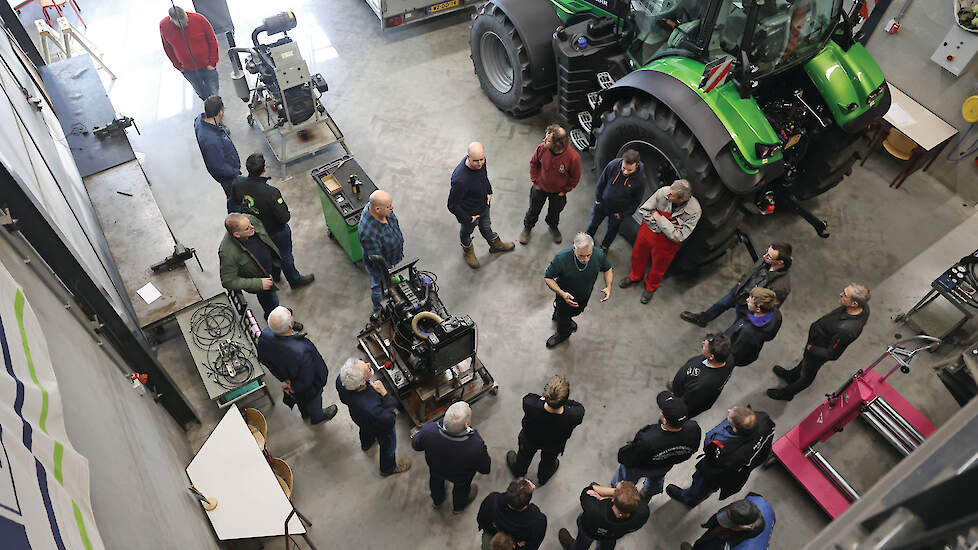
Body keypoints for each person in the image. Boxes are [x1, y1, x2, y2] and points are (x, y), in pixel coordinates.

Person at [767, 283, 870, 401]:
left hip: (818, 350)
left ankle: (788, 393)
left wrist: (812, 349)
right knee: (805, 362)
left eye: (845, 295)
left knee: (807, 374)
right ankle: (792, 375)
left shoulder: (847, 330)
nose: (841, 294)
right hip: (816, 342)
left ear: (854, 304)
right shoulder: (861, 307)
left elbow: (833, 354)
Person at [231, 153, 314, 290]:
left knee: (268, 252)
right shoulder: (271, 193)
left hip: (255, 231)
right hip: (276, 231)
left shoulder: (238, 182)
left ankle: (275, 274)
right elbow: (284, 217)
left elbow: (235, 202)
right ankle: (294, 280)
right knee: (285, 255)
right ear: (264, 168)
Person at [666, 406, 776, 508]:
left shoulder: (726, 451)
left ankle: (690, 498)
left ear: (735, 430)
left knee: (703, 483)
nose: (728, 411)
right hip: (741, 465)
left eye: (730, 417)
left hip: (720, 471)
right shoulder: (764, 419)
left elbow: (712, 460)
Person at [619, 180, 700, 304]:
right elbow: (645, 210)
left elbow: (679, 236)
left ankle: (651, 287)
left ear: (682, 199)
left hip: (668, 244)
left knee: (659, 267)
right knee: (638, 256)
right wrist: (665, 227)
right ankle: (635, 276)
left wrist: (659, 218)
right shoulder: (664, 192)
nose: (667, 196)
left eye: (671, 196)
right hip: (648, 231)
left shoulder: (694, 211)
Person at [612, 391, 701, 501]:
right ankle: (648, 493)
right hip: (665, 466)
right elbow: (692, 450)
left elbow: (627, 457)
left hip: (642, 467)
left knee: (624, 476)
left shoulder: (648, 439)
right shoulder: (694, 429)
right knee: (656, 479)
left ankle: (618, 493)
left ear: (664, 419)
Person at [256, 307, 337, 424]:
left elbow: (264, 360)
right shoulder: (302, 350)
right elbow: (307, 379)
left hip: (291, 381)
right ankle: (317, 417)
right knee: (314, 401)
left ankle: (305, 414)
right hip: (309, 387)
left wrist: (285, 380)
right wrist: (293, 387)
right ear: (290, 325)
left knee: (300, 400)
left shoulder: (264, 336)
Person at [681, 243, 792, 327]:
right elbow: (752, 270)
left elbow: (770, 307)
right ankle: (702, 319)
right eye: (767, 251)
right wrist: (742, 280)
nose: (764, 256)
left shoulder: (781, 287)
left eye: (769, 256)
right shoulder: (766, 259)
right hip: (739, 291)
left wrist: (754, 311)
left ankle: (721, 346)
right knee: (720, 305)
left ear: (780, 262)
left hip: (748, 307)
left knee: (736, 327)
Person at [336, 358, 412, 476]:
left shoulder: (341, 379)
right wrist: (384, 393)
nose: (368, 364)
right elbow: (389, 419)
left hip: (358, 417)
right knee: (388, 445)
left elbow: (344, 399)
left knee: (365, 429)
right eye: (367, 367)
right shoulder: (370, 406)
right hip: (380, 427)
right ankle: (388, 468)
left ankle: (366, 444)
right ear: (361, 383)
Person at [411, 401, 491, 513]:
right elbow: (485, 468)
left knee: (435, 482)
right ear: (466, 424)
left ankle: (437, 501)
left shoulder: (428, 431)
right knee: (461, 489)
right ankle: (458, 507)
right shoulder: (475, 446)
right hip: (460, 477)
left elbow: (416, 445)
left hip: (436, 469)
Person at [506, 375, 586, 485]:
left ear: (546, 394)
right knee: (549, 461)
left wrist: (543, 399)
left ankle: (519, 471)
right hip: (554, 444)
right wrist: (565, 402)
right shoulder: (573, 415)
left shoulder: (531, 405)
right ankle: (543, 477)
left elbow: (530, 397)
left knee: (524, 455)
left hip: (530, 438)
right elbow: (579, 407)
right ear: (565, 398)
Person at [448, 142, 516, 269]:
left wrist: (489, 191)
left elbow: (484, 177)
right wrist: (468, 218)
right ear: (468, 157)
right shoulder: (460, 180)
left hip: (483, 206)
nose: (479, 163)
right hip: (470, 214)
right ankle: (468, 250)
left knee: (486, 227)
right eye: (476, 161)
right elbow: (452, 205)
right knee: (466, 233)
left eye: (482, 159)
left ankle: (496, 244)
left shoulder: (480, 163)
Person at [544, 233, 613, 348]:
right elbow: (548, 277)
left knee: (575, 312)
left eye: (588, 255)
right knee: (563, 316)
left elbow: (608, 268)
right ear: (574, 247)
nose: (586, 259)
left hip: (584, 296)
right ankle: (563, 334)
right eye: (581, 256)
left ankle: (562, 317)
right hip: (564, 298)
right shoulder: (561, 258)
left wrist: (608, 286)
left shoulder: (598, 254)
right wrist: (562, 294)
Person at [520, 124, 581, 245]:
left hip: (558, 192)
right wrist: (535, 181)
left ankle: (553, 226)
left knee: (555, 212)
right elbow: (534, 163)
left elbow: (575, 177)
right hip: (540, 188)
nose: (543, 140)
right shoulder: (542, 148)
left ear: (557, 144)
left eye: (547, 140)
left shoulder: (573, 158)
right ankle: (528, 227)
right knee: (533, 209)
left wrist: (565, 190)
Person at [218, 213, 280, 319]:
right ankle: (276, 318)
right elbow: (228, 281)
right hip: (260, 279)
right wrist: (258, 283)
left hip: (270, 264)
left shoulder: (249, 220)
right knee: (271, 302)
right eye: (247, 228)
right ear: (237, 234)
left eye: (250, 224)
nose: (252, 227)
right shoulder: (227, 253)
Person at [585, 150, 647, 254]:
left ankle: (604, 247)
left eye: (629, 170)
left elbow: (636, 202)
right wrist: (598, 200)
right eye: (624, 168)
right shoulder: (613, 165)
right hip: (603, 204)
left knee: (612, 231)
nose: (625, 172)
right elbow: (601, 182)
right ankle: (587, 239)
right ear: (622, 161)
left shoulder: (640, 180)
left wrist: (623, 214)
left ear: (636, 165)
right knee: (593, 223)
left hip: (618, 212)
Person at [557, 481, 650, 550]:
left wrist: (611, 495)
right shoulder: (643, 513)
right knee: (607, 545)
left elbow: (588, 490)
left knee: (582, 543)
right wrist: (606, 498)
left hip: (590, 530)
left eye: (617, 488)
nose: (620, 481)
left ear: (613, 499)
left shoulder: (594, 510)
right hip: (613, 535)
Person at [160, 6, 219, 101]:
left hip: (207, 66)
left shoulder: (199, 19)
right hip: (188, 70)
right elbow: (167, 47)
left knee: (214, 92)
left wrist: (212, 62)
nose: (186, 24)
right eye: (182, 24)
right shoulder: (164, 25)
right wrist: (178, 66)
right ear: (172, 21)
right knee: (201, 92)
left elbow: (212, 40)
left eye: (186, 20)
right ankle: (207, 102)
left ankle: (217, 107)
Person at [358, 190, 404, 311]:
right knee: (378, 284)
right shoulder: (368, 233)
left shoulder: (382, 211)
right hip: (380, 264)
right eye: (389, 207)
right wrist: (387, 271)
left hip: (391, 257)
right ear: (377, 209)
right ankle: (378, 308)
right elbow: (376, 259)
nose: (392, 208)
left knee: (389, 277)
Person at [671, 334, 733, 419]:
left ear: (711, 357)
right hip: (686, 386)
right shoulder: (728, 358)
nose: (702, 343)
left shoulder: (702, 384)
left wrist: (674, 404)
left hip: (683, 397)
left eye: (705, 346)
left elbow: (686, 402)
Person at [477, 478, 547, 550]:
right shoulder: (538, 521)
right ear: (528, 502)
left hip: (493, 538)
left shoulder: (492, 501)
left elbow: (482, 521)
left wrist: (496, 529)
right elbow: (532, 547)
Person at [195, 96, 240, 207]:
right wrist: (235, 172)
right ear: (221, 112)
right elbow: (218, 167)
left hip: (227, 171)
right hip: (228, 177)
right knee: (235, 199)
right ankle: (236, 220)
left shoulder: (199, 121)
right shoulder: (211, 141)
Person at [680, 496, 771, 550]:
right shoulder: (747, 508)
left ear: (745, 527)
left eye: (730, 523)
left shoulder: (721, 546)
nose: (722, 521)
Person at [725, 288, 782, 368]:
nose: (747, 300)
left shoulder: (747, 331)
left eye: (750, 299)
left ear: (758, 309)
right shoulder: (776, 313)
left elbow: (734, 354)